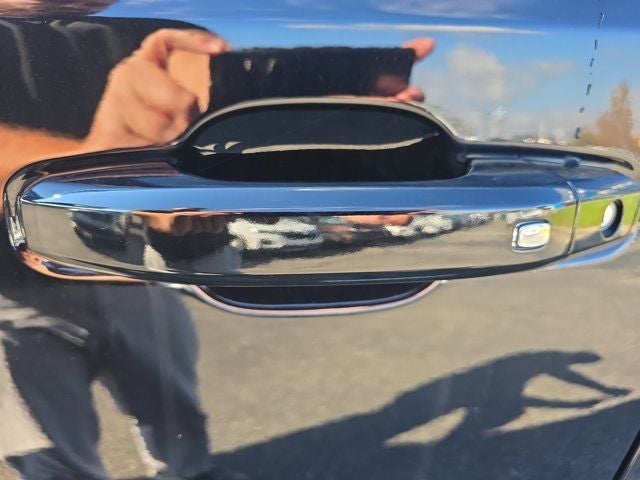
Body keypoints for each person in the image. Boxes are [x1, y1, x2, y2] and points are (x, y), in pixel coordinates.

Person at [0, 1, 435, 478]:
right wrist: (101, 164)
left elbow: (216, 149)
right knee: (51, 452)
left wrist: (286, 169)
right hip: (11, 294)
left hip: (135, 276)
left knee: (174, 414)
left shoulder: (169, 30)